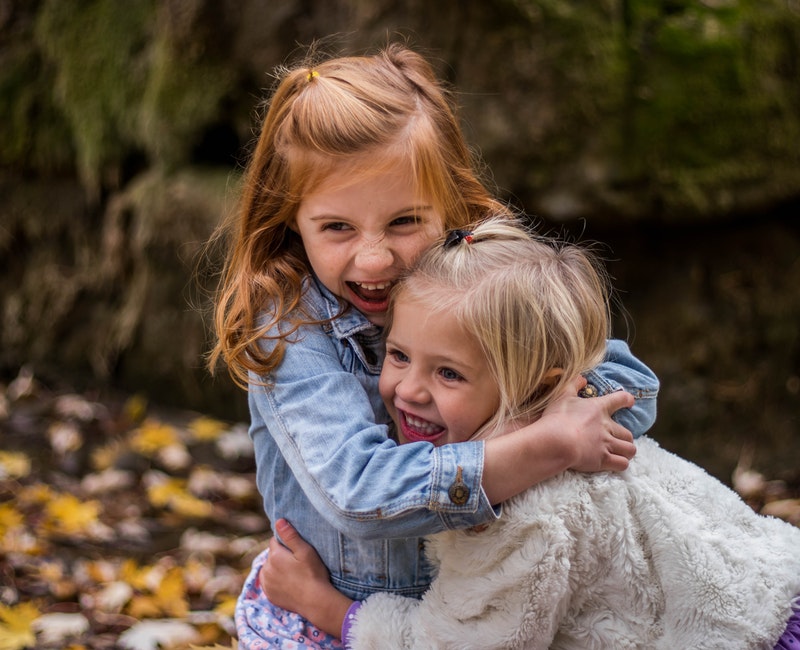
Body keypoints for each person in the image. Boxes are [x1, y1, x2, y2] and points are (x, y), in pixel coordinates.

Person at [208, 43, 659, 648]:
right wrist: (540, 446)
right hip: (332, 614)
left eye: (404, 223)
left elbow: (632, 390)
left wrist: (546, 413)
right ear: (291, 218)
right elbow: (360, 493)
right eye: (337, 227)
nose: (375, 258)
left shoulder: (479, 287)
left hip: (476, 609)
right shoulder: (291, 327)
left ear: (450, 204)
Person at [262, 217, 800, 650]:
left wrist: (325, 608)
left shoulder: (523, 510)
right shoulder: (569, 424)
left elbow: (459, 645)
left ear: (533, 385)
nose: (409, 390)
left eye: (449, 373)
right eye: (398, 355)